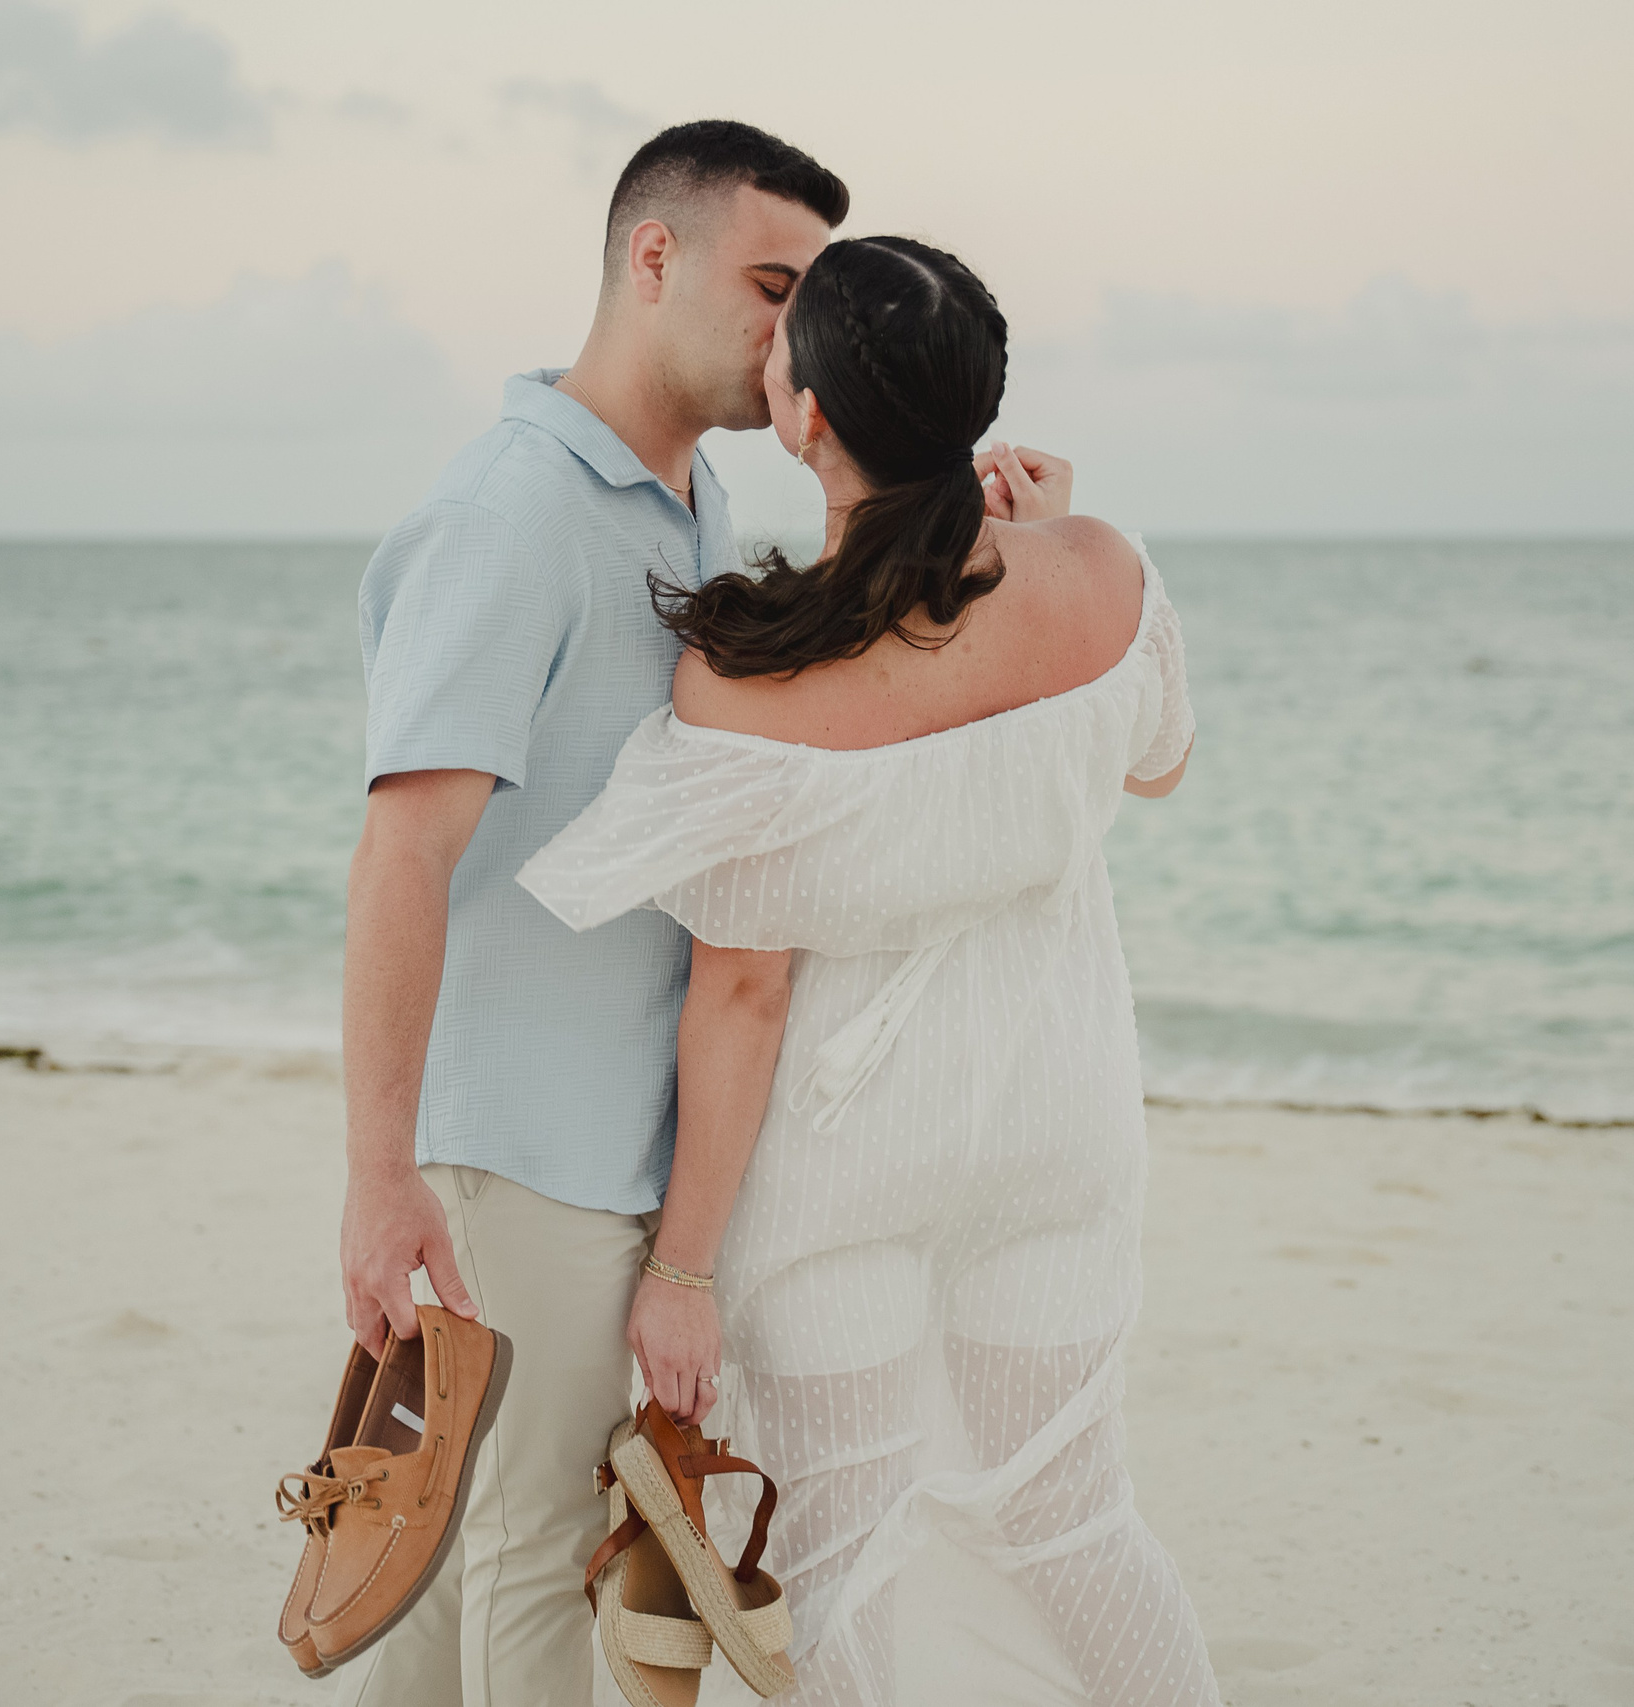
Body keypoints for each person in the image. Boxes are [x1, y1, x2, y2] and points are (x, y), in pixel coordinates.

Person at [517, 237, 1224, 1704]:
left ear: (807, 418)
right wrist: (1064, 534)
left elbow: (743, 992)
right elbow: (1158, 762)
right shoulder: (1104, 576)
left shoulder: (749, 672)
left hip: (847, 1173)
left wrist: (685, 1271)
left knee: (840, 1543)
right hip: (1054, 1126)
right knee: (1078, 1517)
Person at [334, 121, 846, 1707]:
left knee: (424, 1575)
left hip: (608, 1139)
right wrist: (379, 1179)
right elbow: (402, 854)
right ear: (652, 260)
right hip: (517, 1152)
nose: (794, 335)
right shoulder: (516, 510)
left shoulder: (687, 509)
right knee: (534, 1556)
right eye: (773, 285)